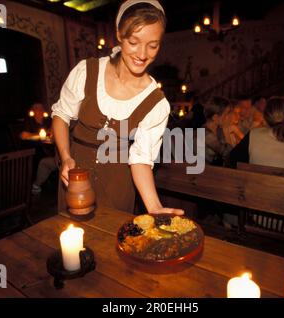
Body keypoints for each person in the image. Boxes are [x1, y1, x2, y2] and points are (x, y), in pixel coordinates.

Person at [51, 0, 183, 215]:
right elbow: (61, 115)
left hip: (117, 188)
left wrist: (154, 207)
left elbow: (141, 159)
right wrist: (66, 157)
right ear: (119, 35)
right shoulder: (87, 71)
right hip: (74, 180)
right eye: (133, 41)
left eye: (153, 45)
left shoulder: (157, 103)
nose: (142, 54)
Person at [202, 97, 233, 166]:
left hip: (212, 170)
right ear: (215, 117)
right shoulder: (205, 134)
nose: (230, 117)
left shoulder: (218, 129)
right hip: (201, 174)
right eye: (226, 114)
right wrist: (226, 129)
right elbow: (227, 153)